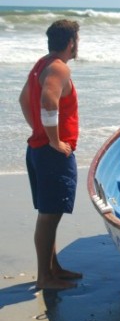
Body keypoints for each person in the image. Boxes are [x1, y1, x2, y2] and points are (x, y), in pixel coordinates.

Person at [19, 19, 81, 290]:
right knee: (49, 216)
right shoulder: (58, 67)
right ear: (71, 42)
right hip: (51, 153)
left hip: (38, 149)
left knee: (49, 212)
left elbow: (23, 99)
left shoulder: (41, 64)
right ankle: (44, 277)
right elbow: (48, 100)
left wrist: (39, 129)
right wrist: (54, 140)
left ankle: (53, 268)